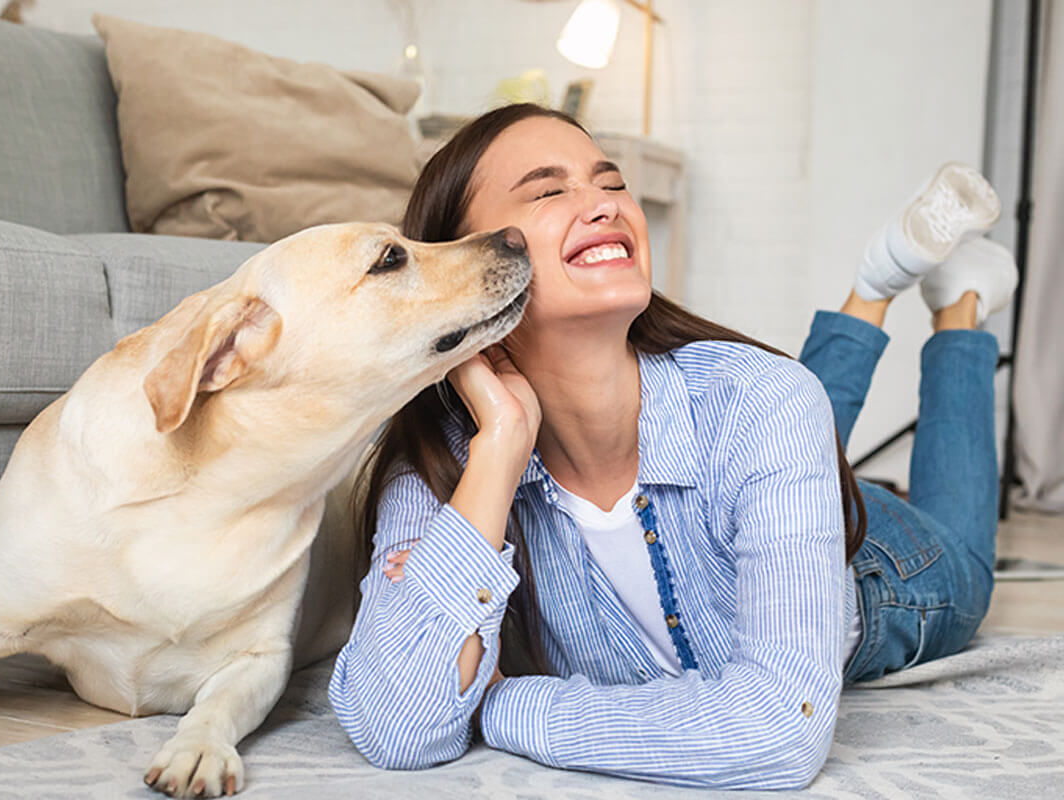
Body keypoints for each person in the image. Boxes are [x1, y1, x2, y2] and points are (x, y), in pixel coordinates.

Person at [327, 103, 1017, 789]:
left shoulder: (758, 400)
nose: (603, 205)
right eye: (548, 190)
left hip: (876, 569)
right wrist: (501, 447)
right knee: (781, 412)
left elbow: (782, 730)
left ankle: (957, 305)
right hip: (749, 474)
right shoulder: (446, 463)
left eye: (611, 181)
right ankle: (873, 284)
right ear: (463, 265)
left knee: (957, 553)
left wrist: (503, 705)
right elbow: (400, 727)